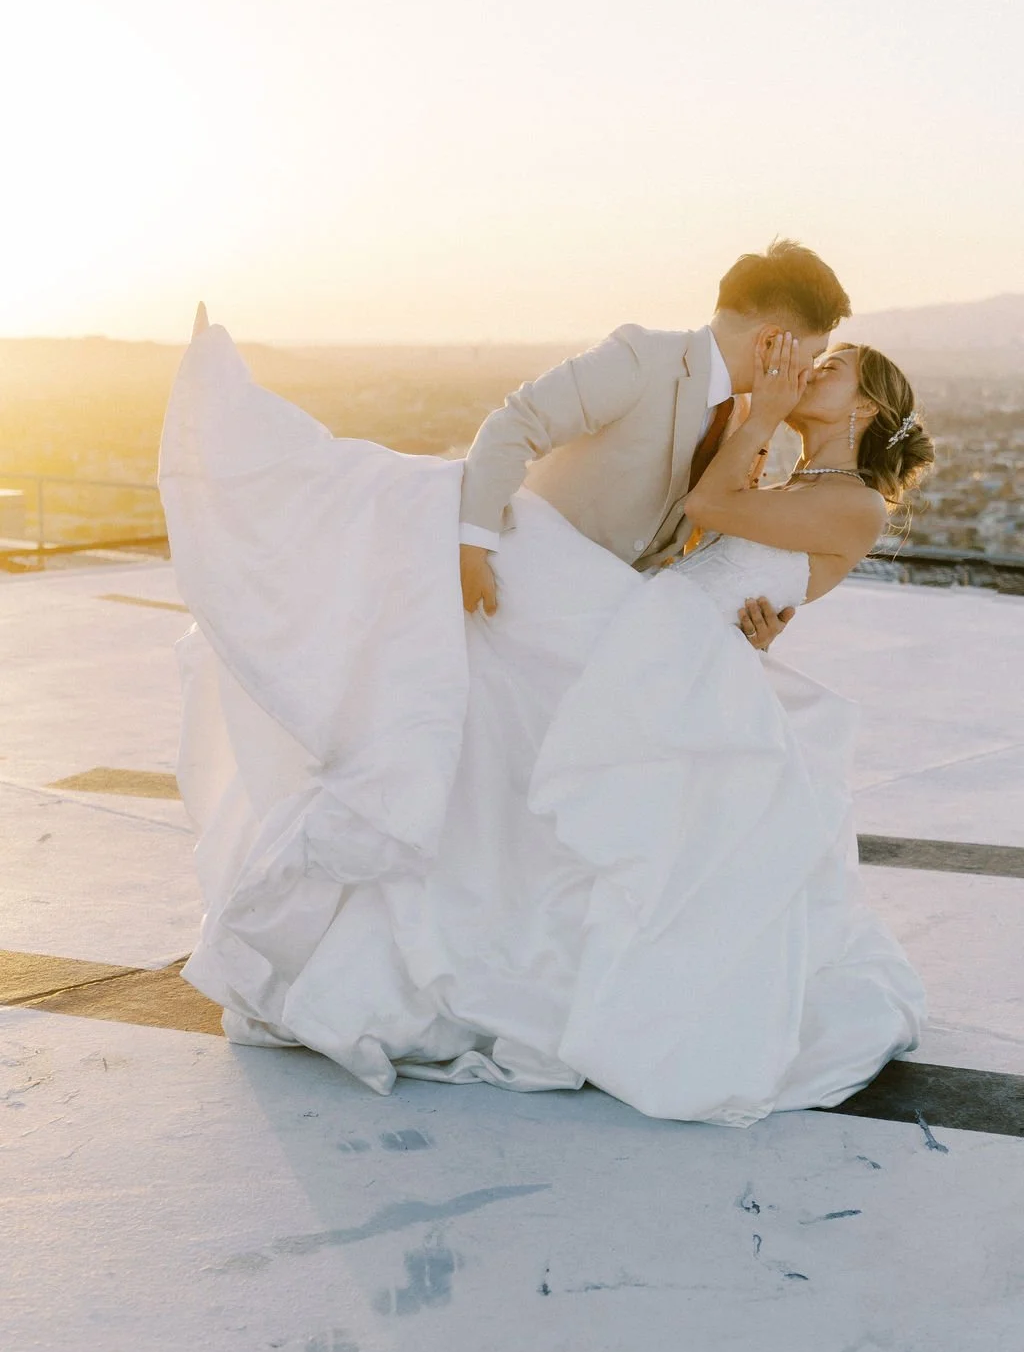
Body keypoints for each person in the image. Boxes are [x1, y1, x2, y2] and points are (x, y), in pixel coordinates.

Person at [159, 288, 933, 1128]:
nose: (805, 370)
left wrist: (761, 428)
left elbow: (714, 518)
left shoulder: (854, 499)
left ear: (865, 404)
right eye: (808, 355)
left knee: (573, 804)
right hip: (656, 635)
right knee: (486, 723)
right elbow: (719, 550)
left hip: (669, 657)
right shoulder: (790, 471)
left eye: (830, 367)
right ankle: (261, 462)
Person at [458, 238, 852, 650]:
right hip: (513, 588)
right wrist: (472, 548)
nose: (809, 374)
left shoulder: (744, 421)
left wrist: (742, 621)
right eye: (812, 356)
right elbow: (516, 424)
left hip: (602, 624)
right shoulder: (643, 358)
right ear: (770, 342)